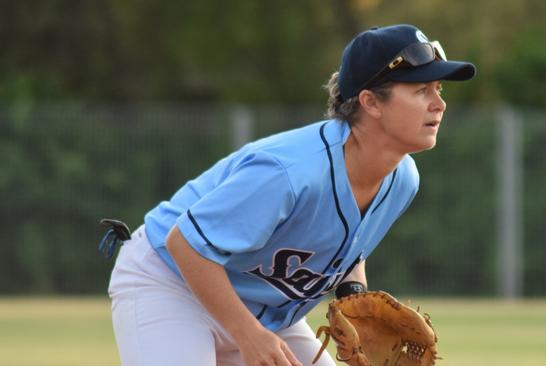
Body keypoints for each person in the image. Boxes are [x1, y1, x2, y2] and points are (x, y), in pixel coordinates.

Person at [102, 24, 475, 366]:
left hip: (267, 311)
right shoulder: (291, 172)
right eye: (421, 90)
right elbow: (184, 243)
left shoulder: (402, 178)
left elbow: (347, 250)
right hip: (171, 281)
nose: (438, 103)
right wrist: (247, 335)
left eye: (438, 90)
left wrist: (355, 300)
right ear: (371, 102)